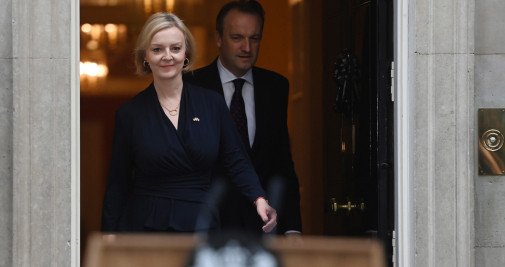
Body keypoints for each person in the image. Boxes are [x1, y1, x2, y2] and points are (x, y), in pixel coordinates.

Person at [101, 12, 277, 233]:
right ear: (145, 56)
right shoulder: (129, 114)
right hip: (147, 227)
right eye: (157, 49)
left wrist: (259, 198)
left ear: (186, 54)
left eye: (175, 48)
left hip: (200, 223)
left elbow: (237, 160)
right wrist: (108, 236)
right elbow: (118, 183)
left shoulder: (212, 103)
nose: (167, 56)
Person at [184, 0, 302, 236]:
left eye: (254, 38)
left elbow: (282, 163)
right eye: (237, 37)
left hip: (263, 227)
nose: (247, 47)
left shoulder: (276, 87)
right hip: (206, 225)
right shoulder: (191, 86)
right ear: (219, 38)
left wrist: (292, 229)